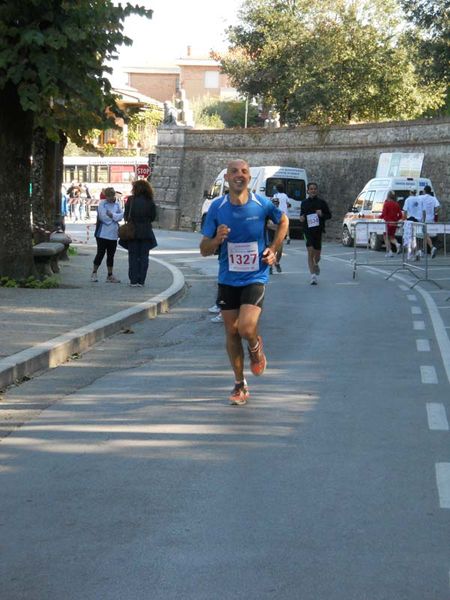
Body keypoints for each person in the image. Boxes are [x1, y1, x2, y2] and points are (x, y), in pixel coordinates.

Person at [200, 158, 289, 406]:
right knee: (231, 331)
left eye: (244, 171)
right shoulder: (217, 208)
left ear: (249, 178)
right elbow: (203, 249)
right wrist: (216, 239)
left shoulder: (261, 204)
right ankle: (240, 384)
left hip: (255, 275)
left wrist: (273, 248)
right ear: (226, 178)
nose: (240, 175)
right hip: (228, 277)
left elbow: (284, 221)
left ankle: (255, 345)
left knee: (246, 328)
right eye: (234, 172)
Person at [123, 179, 158, 287]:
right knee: (144, 257)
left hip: (132, 232)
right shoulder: (150, 201)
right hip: (146, 232)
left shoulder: (131, 200)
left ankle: (133, 280)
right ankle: (141, 281)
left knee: (133, 256)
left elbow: (126, 216)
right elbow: (153, 217)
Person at [299, 182, 332, 285]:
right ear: (308, 191)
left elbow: (329, 215)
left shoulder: (322, 203)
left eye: (314, 189)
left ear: (316, 190)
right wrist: (301, 218)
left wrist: (322, 214)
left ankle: (315, 263)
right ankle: (313, 276)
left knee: (317, 256)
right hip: (307, 230)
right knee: (310, 252)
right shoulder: (304, 203)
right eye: (311, 189)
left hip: (318, 230)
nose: (313, 190)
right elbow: (301, 215)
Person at [91, 187, 123, 283]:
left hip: (113, 233)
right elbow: (103, 217)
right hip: (102, 233)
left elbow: (121, 216)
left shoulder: (117, 204)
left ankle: (110, 275)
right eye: (108, 197)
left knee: (111, 255)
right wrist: (114, 217)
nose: (110, 198)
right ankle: (94, 272)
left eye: (111, 196)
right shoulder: (102, 204)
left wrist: (112, 215)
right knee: (100, 253)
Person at [379, 190, 402, 256]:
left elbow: (383, 214)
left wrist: (379, 217)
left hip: (387, 223)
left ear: (388, 196)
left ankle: (390, 251)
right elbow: (400, 215)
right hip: (394, 223)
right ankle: (397, 244)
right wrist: (396, 220)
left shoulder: (386, 204)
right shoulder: (396, 204)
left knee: (385, 237)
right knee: (391, 237)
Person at [402, 189, 423, 260]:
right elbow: (422, 210)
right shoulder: (419, 199)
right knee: (416, 238)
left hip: (410, 221)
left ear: (410, 192)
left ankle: (411, 254)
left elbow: (405, 211)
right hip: (418, 221)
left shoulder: (408, 200)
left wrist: (404, 220)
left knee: (410, 238)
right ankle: (416, 252)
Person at [421, 185, 440, 258]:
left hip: (424, 219)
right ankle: (423, 250)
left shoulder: (421, 197)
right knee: (425, 235)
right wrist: (433, 211)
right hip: (431, 219)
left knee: (425, 235)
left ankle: (432, 247)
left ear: (424, 191)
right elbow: (438, 207)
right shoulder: (433, 198)